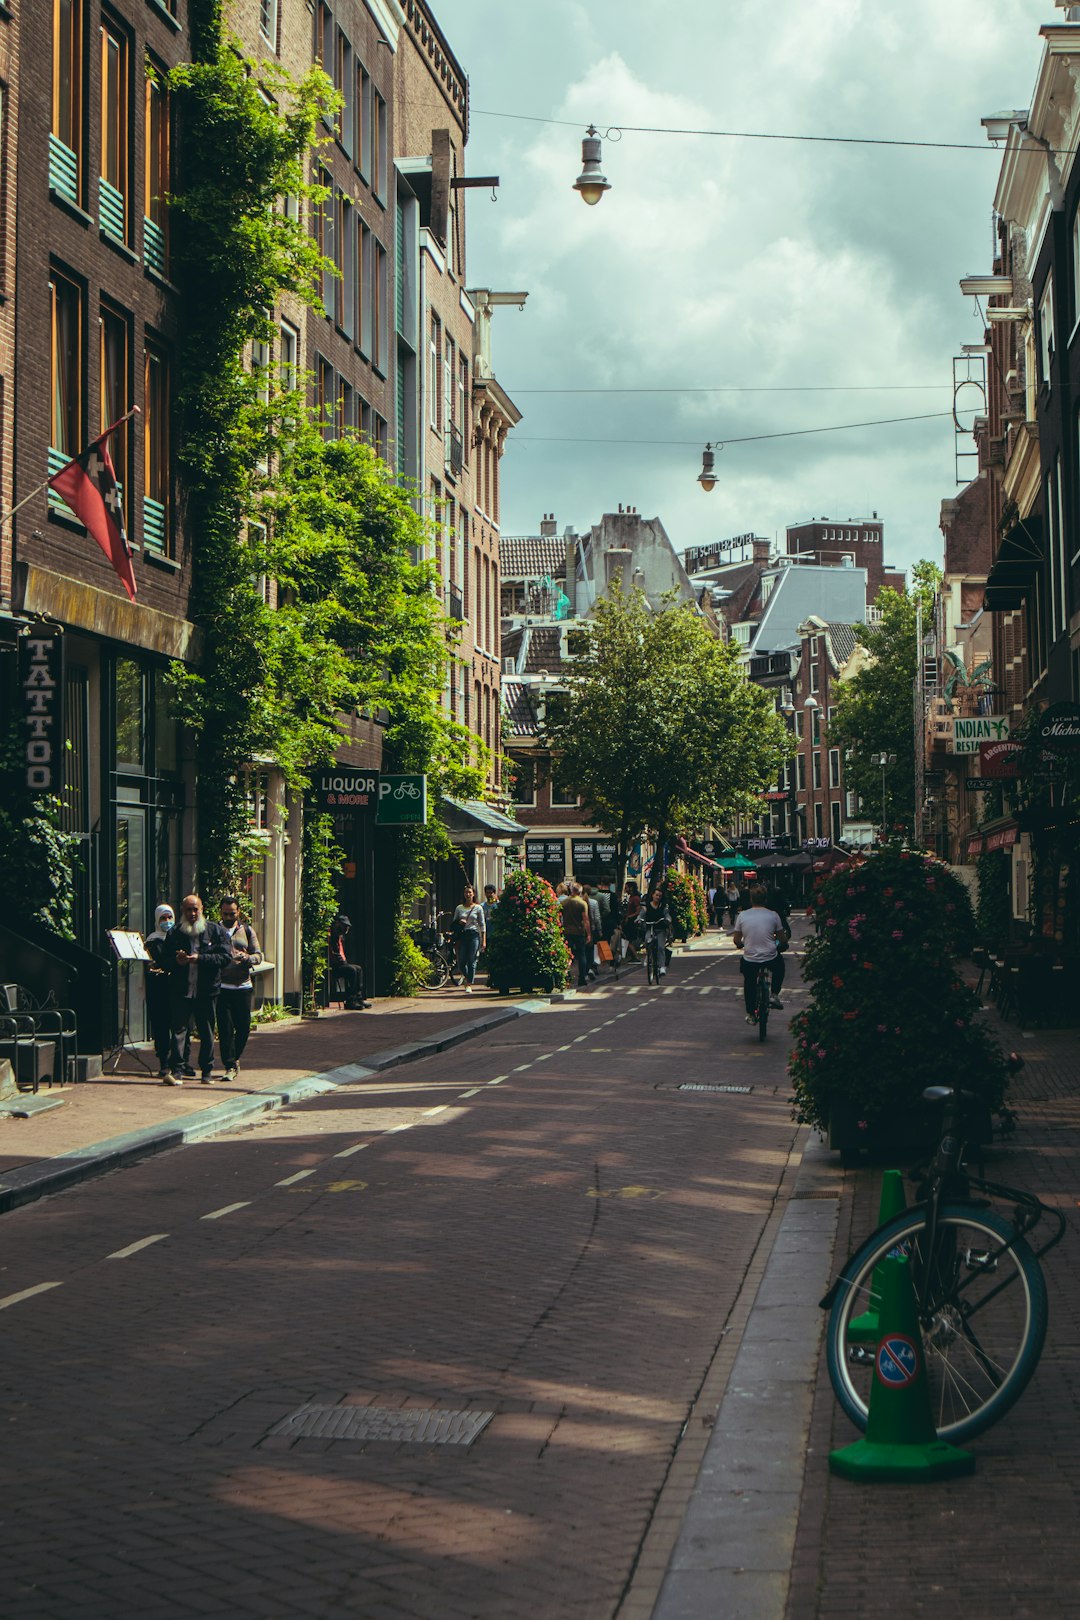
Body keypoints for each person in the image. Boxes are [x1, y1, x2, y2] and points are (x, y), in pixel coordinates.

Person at [157, 894, 234, 1084]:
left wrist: (200, 958)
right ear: (183, 911)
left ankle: (207, 1071)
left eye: (195, 909)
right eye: (188, 910)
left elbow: (225, 957)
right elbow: (163, 961)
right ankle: (177, 1070)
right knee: (179, 1030)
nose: (192, 913)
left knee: (206, 1031)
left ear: (202, 910)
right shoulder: (175, 933)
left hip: (206, 991)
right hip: (181, 990)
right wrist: (176, 961)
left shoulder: (215, 931)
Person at [216, 896, 264, 1081]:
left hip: (243, 986)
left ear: (238, 913)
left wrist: (247, 958)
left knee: (243, 1027)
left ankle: (234, 1058)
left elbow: (258, 955)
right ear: (221, 912)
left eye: (232, 913)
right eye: (225, 913)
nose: (229, 916)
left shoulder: (247, 931)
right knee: (225, 1028)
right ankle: (230, 1064)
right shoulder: (215, 931)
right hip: (222, 986)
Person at [733, 885, 789, 1024]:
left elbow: (736, 939)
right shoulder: (773, 915)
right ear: (765, 900)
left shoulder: (742, 915)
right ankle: (774, 994)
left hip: (750, 958)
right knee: (780, 967)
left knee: (749, 982)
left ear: (751, 899)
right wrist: (783, 944)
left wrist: (740, 944)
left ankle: (751, 1013)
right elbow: (782, 938)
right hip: (770, 956)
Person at [143, 903, 178, 1080]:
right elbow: (158, 960)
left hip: (176, 987)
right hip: (158, 990)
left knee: (178, 1025)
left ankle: (180, 1062)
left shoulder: (179, 936)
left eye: (169, 918)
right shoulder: (152, 940)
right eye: (163, 918)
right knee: (161, 1026)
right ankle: (164, 1062)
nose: (167, 922)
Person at [452, 885, 486, 992]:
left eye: (470, 892)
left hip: (474, 935)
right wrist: (459, 922)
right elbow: (454, 923)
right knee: (461, 961)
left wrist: (483, 940)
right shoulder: (459, 908)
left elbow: (482, 924)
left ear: (473, 894)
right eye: (466, 892)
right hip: (462, 935)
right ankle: (467, 977)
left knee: (471, 960)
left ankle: (469, 983)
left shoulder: (478, 908)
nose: (468, 894)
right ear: (464, 894)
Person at [329, 914, 368, 1009]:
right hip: (334, 966)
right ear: (337, 924)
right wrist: (341, 961)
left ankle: (358, 997)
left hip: (341, 963)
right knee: (352, 970)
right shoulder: (331, 936)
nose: (345, 929)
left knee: (358, 969)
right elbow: (332, 953)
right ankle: (350, 1000)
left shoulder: (339, 937)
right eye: (343, 926)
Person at [560, 881, 592, 987]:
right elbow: (585, 920)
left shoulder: (564, 902)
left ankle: (566, 976)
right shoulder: (582, 903)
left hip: (567, 931)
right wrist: (588, 934)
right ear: (580, 891)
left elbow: (559, 917)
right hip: (579, 932)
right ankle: (581, 978)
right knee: (582, 955)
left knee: (567, 955)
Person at [640, 884, 673, 977]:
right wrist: (639, 919)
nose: (658, 897)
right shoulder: (646, 905)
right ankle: (648, 955)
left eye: (659, 896)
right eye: (656, 895)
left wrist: (668, 919)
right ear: (652, 895)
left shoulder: (663, 906)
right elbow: (642, 914)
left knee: (660, 947)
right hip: (650, 927)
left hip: (660, 929)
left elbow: (667, 914)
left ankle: (662, 966)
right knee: (647, 941)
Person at [582, 884, 603, 981]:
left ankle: (584, 972)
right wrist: (599, 930)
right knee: (590, 951)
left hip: (582, 930)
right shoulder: (594, 903)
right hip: (592, 929)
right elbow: (597, 918)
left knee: (583, 951)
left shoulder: (580, 902)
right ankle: (590, 968)